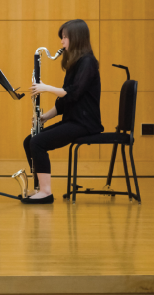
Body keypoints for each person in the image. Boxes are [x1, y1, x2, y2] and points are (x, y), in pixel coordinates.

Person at [22, 19, 103, 204]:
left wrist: (45, 87)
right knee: (30, 141)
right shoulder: (75, 64)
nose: (62, 41)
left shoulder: (88, 62)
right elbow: (64, 102)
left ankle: (46, 192)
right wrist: (44, 118)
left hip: (85, 123)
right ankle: (39, 188)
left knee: (38, 142)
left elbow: (73, 93)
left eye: (65, 37)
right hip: (73, 120)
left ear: (76, 38)